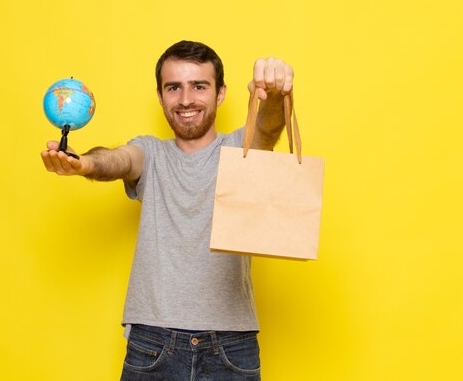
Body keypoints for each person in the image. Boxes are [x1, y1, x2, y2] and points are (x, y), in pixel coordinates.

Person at [41, 40, 293, 380]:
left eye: (199, 86)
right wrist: (85, 163)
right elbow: (118, 159)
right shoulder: (150, 152)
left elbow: (267, 128)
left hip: (231, 343)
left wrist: (275, 94)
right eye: (173, 88)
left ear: (220, 94)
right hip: (153, 342)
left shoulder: (240, 150)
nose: (186, 99)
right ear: (160, 96)